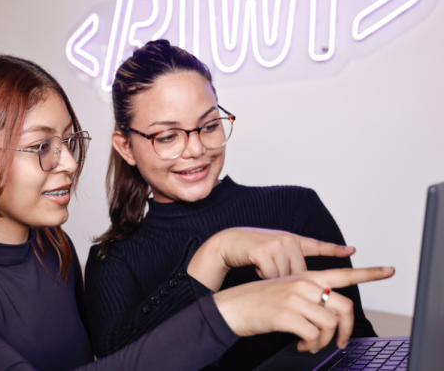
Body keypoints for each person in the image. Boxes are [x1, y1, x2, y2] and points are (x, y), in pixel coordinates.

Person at [0, 53, 394, 371]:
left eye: (69, 142)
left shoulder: (52, 249)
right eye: (41, 147)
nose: (69, 165)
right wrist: (232, 308)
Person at [85, 39, 379, 370]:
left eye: (209, 126)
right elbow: (121, 364)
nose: (196, 149)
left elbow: (353, 341)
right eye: (167, 136)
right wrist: (214, 255)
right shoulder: (113, 260)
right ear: (125, 147)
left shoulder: (295, 208)